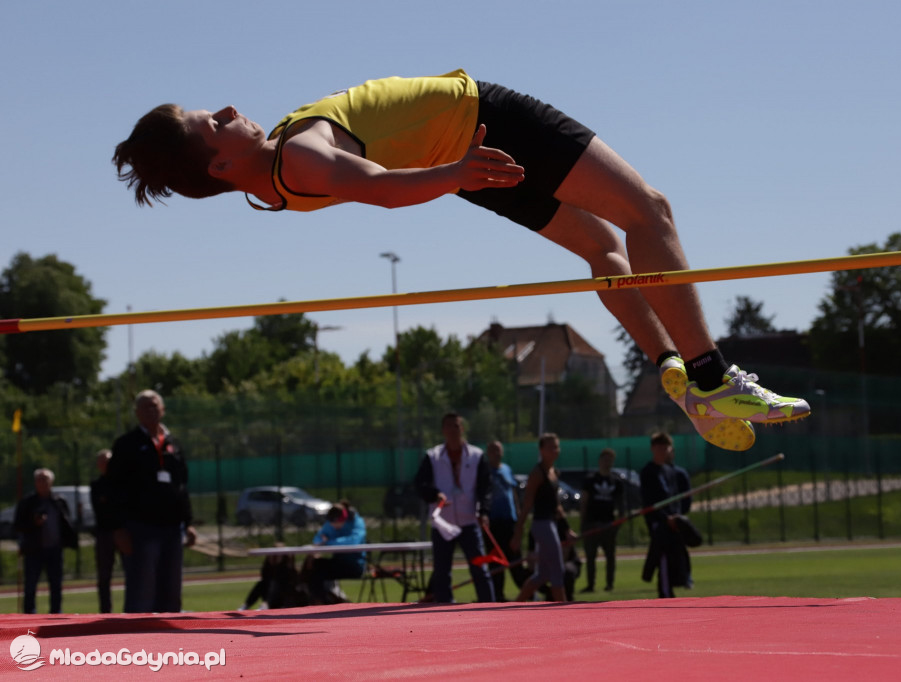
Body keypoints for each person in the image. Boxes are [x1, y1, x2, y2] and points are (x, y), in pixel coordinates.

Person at [113, 70, 810, 453]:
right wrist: (458, 168)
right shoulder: (295, 155)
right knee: (648, 212)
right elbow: (380, 189)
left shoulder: (271, 188)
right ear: (219, 160)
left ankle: (674, 375)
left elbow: (376, 177)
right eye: (215, 119)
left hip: (465, 165)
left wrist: (455, 173)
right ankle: (714, 376)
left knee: (604, 249)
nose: (232, 106)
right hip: (485, 129)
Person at [108, 389, 197, 613]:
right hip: (140, 528)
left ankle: (171, 644)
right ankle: (136, 643)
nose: (151, 410)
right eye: (145, 406)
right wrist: (118, 528)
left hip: (172, 529)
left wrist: (189, 522)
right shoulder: (126, 444)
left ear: (163, 410)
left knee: (171, 594)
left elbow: (182, 486)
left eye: (154, 405)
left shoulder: (173, 444)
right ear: (137, 413)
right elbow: (114, 488)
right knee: (142, 593)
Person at [414, 412, 495, 604]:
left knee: (480, 569)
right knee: (442, 572)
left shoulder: (476, 455)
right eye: (449, 426)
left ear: (462, 429)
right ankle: (444, 612)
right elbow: (420, 483)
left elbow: (486, 488)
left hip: (469, 521)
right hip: (443, 524)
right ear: (443, 430)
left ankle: (490, 607)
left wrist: (483, 511)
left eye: (456, 426)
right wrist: (435, 494)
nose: (453, 430)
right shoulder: (432, 456)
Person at [640, 432, 702, 598]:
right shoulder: (648, 472)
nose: (662, 451)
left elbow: (677, 498)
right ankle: (665, 592)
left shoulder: (672, 472)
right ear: (653, 449)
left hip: (674, 521)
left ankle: (681, 580)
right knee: (663, 556)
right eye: (659, 447)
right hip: (659, 522)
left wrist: (677, 517)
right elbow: (649, 501)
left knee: (677, 553)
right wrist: (664, 518)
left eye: (665, 447)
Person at [511, 433, 573, 602]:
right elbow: (527, 505)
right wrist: (518, 532)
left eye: (557, 447)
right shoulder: (537, 473)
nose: (555, 451)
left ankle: (516, 605)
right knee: (557, 570)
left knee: (543, 574)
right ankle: (563, 609)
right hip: (542, 525)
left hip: (551, 523)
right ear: (541, 450)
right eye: (551, 447)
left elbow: (557, 505)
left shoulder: (553, 472)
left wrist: (567, 528)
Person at [14, 469, 77, 614]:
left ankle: (56, 614)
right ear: (35, 482)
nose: (43, 483)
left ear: (51, 482)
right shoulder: (27, 503)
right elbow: (18, 526)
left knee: (56, 585)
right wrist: (33, 523)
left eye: (46, 479)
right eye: (40, 479)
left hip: (55, 549)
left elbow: (67, 523)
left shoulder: (59, 501)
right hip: (33, 550)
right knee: (30, 585)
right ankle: (29, 614)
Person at [484, 440, 526, 601]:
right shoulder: (485, 472)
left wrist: (519, 515)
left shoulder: (507, 469)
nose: (496, 453)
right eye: (493, 450)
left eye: (499, 450)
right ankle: (497, 597)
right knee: (496, 563)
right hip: (494, 523)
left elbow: (513, 493)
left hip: (510, 522)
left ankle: (527, 593)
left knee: (515, 560)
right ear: (488, 453)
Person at [579, 448, 623, 594]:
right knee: (590, 557)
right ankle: (590, 584)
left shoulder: (616, 481)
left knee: (610, 556)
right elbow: (584, 502)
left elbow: (620, 504)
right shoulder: (590, 480)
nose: (607, 463)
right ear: (599, 461)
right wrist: (583, 523)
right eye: (605, 459)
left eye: (610, 460)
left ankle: (610, 584)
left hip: (608, 525)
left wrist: (618, 523)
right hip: (592, 524)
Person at [305, 502, 367, 604]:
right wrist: (323, 541)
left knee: (318, 569)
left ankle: (329, 601)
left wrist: (329, 542)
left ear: (344, 518)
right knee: (315, 566)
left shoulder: (357, 522)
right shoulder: (330, 524)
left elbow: (353, 541)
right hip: (338, 562)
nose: (334, 526)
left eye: (337, 522)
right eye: (332, 523)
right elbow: (317, 539)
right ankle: (322, 602)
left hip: (355, 565)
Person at [89, 449, 118, 614]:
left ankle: (135, 609)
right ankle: (105, 611)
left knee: (134, 572)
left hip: (123, 532)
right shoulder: (96, 486)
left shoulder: (122, 483)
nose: (105, 464)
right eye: (102, 461)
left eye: (107, 461)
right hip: (104, 533)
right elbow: (100, 509)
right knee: (104, 575)